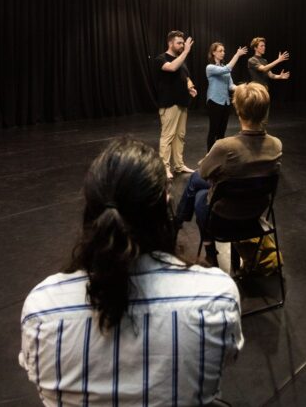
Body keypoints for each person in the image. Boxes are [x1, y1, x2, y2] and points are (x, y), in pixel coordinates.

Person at [20, 138, 243, 406]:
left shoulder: (42, 308)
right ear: (165, 203)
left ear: (91, 208)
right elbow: (226, 359)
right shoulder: (216, 297)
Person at [174, 83, 282, 265]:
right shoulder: (276, 145)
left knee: (197, 187)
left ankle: (184, 231)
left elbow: (205, 172)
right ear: (264, 111)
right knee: (198, 182)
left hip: (224, 217)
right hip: (256, 213)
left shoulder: (226, 147)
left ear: (238, 110)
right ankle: (179, 226)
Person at [154, 30, 198, 179]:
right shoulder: (161, 59)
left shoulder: (181, 60)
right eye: (179, 43)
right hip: (169, 103)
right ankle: (164, 167)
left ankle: (178, 165)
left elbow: (186, 77)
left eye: (182, 43)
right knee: (168, 136)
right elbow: (172, 68)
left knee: (180, 136)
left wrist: (190, 86)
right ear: (170, 43)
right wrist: (186, 51)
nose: (181, 45)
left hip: (182, 103)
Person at [206, 42, 248, 151]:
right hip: (214, 101)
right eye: (220, 51)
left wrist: (243, 87)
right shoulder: (210, 67)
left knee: (222, 132)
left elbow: (231, 86)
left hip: (226, 103)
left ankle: (220, 155)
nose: (223, 53)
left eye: (223, 51)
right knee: (213, 131)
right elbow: (227, 69)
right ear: (213, 53)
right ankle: (209, 156)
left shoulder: (224, 68)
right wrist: (237, 55)